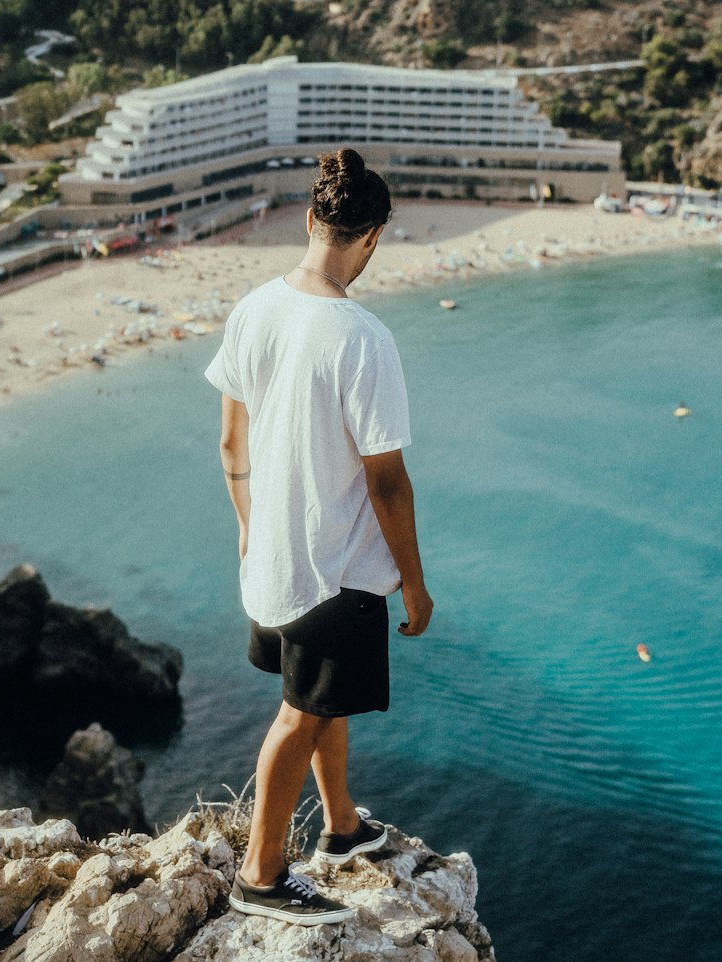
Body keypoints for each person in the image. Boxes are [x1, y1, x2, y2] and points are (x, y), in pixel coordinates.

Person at [204, 148, 433, 927]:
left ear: (309, 221)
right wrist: (414, 578)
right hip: (334, 569)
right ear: (373, 237)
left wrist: (246, 531)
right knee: (298, 718)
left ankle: (339, 828)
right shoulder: (363, 337)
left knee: (315, 699)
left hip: (269, 559)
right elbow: (387, 481)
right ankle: (261, 877)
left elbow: (231, 445)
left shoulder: (253, 308)